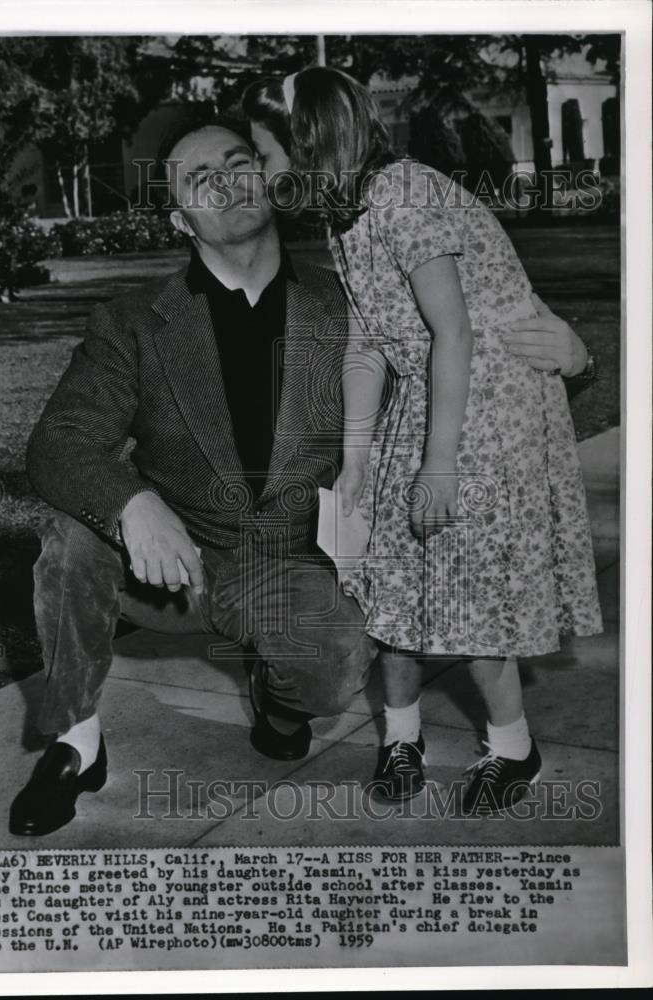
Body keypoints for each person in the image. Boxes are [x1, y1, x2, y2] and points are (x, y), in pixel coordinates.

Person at [243, 68, 602, 815]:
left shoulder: (407, 193)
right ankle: (400, 737)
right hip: (432, 392)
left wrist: (439, 467)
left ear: (309, 144)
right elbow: (370, 344)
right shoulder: (347, 214)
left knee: (468, 587)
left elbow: (455, 331)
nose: (266, 172)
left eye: (268, 153)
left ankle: (515, 749)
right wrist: (357, 461)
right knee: (389, 580)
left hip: (487, 406)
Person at [9, 113, 377, 836]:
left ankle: (275, 690)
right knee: (71, 541)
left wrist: (570, 357)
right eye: (200, 179)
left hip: (286, 560)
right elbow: (58, 443)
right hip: (168, 568)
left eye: (237, 163)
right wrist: (132, 501)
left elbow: (436, 384)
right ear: (182, 218)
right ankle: (76, 743)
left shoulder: (347, 304)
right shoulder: (134, 320)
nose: (226, 183)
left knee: (332, 674)